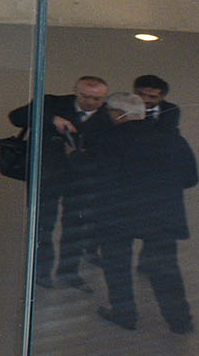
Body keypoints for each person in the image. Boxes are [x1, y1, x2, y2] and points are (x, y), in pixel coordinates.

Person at [88, 90, 196, 333]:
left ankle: (124, 314)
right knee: (166, 269)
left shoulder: (110, 139)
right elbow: (190, 177)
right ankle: (180, 322)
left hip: (118, 213)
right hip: (162, 214)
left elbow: (97, 176)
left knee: (117, 266)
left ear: (116, 113)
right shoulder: (172, 138)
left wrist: (74, 156)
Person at [12, 75, 111, 288]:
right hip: (48, 176)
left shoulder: (109, 115)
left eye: (98, 99)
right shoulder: (53, 104)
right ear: (76, 91)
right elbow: (16, 117)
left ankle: (69, 272)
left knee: (76, 228)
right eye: (86, 97)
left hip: (84, 180)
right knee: (42, 226)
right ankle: (42, 273)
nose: (91, 103)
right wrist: (51, 119)